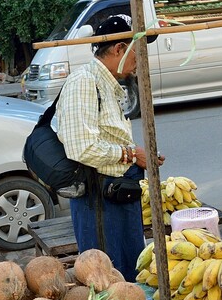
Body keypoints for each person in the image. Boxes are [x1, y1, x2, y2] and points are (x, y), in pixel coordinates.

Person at [56, 14, 164, 282]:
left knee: (129, 272)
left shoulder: (109, 83)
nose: (140, 62)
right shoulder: (84, 82)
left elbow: (106, 136)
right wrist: (131, 154)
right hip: (99, 202)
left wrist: (135, 155)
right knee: (106, 278)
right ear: (118, 49)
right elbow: (81, 147)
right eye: (137, 53)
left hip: (119, 194)